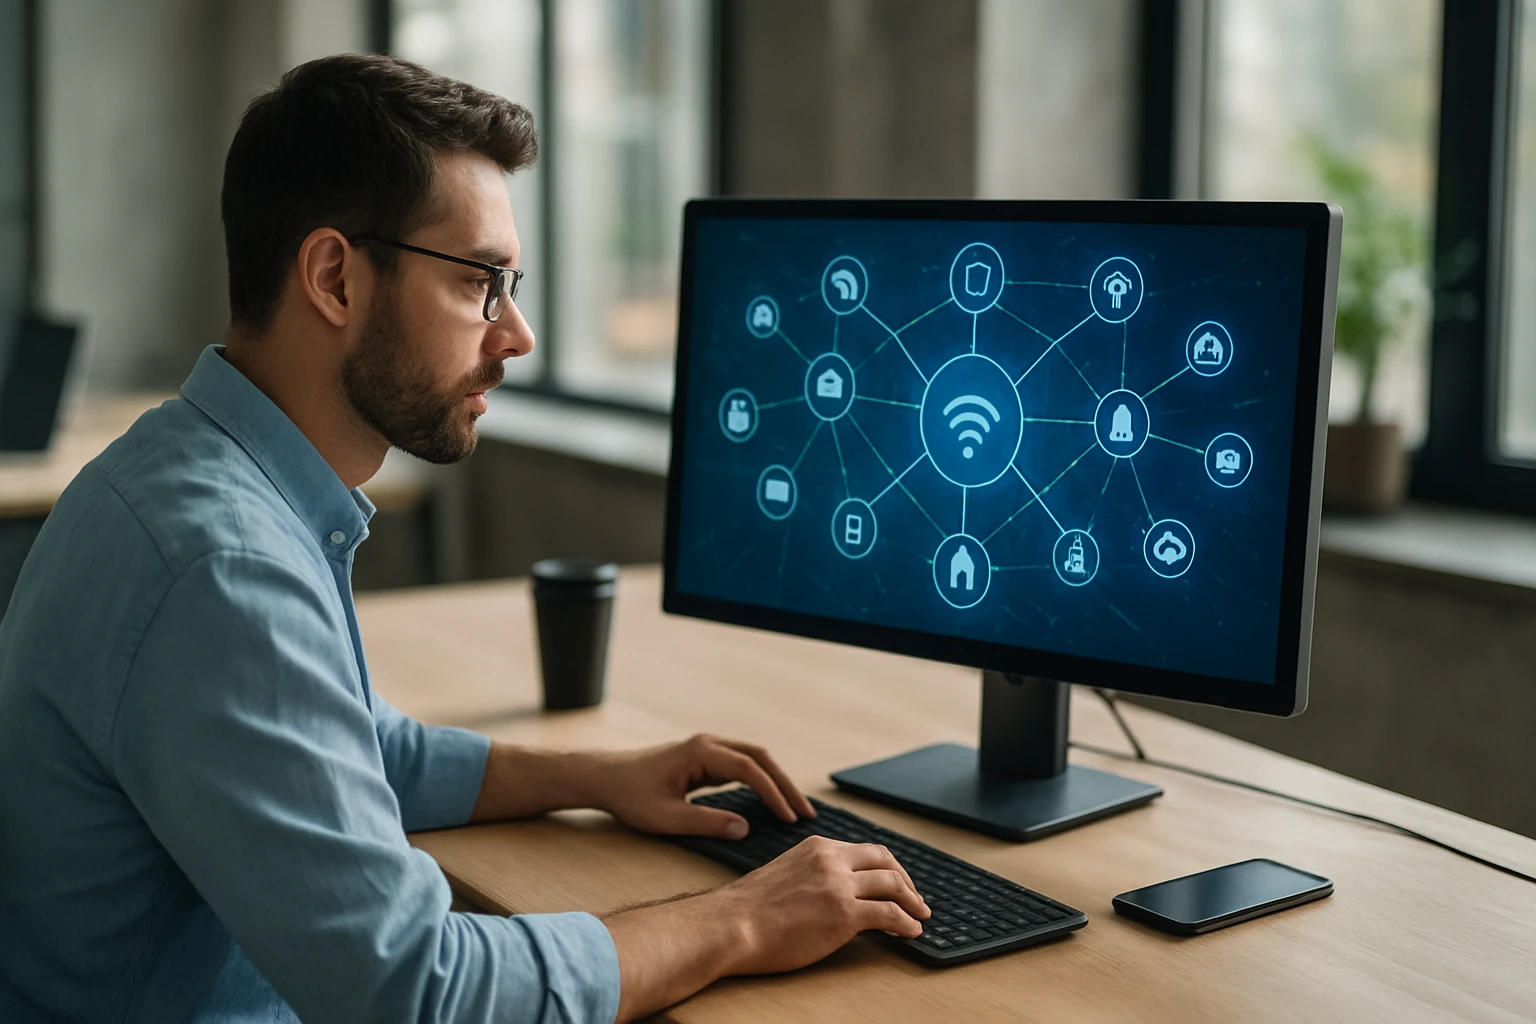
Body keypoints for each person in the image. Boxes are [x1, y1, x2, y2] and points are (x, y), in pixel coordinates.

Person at [0, 54, 927, 1023]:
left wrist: (599, 777)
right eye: (481, 281)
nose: (517, 333)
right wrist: (742, 917)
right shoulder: (223, 568)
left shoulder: (188, 470)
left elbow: (347, 746)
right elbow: (420, 990)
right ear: (334, 279)